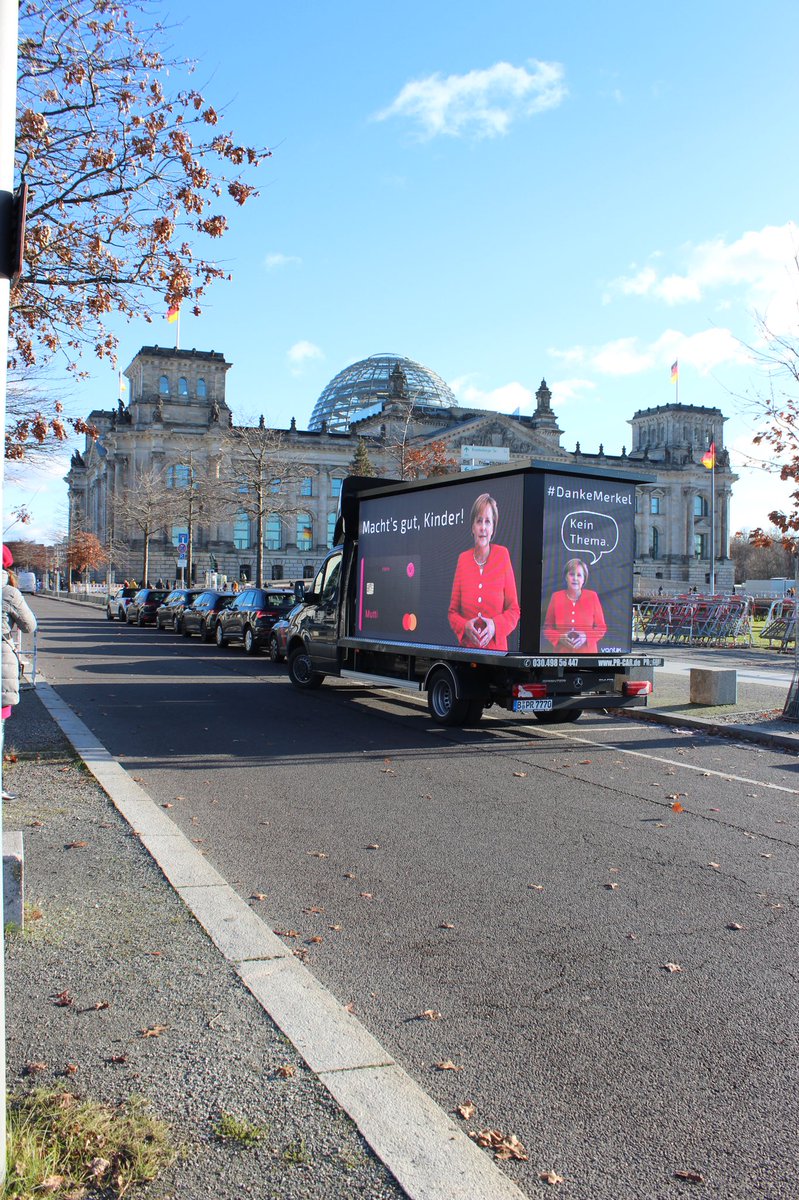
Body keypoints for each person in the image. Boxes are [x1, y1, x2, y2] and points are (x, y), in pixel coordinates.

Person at [448, 493, 520, 651]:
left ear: (493, 527)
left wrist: (495, 626)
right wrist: (465, 626)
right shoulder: (463, 559)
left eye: (488, 521)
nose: (483, 527)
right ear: (472, 527)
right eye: (479, 521)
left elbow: (514, 610)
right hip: (467, 653)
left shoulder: (502, 555)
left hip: (497, 656)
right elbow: (452, 613)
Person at [542, 557, 607, 654]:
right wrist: (559, 637)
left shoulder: (592, 596)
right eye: (572, 574)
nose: (575, 578)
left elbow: (601, 628)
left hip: (587, 656)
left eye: (579, 575)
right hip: (561, 655)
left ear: (584, 579)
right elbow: (547, 628)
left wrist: (586, 636)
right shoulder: (556, 597)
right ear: (566, 577)